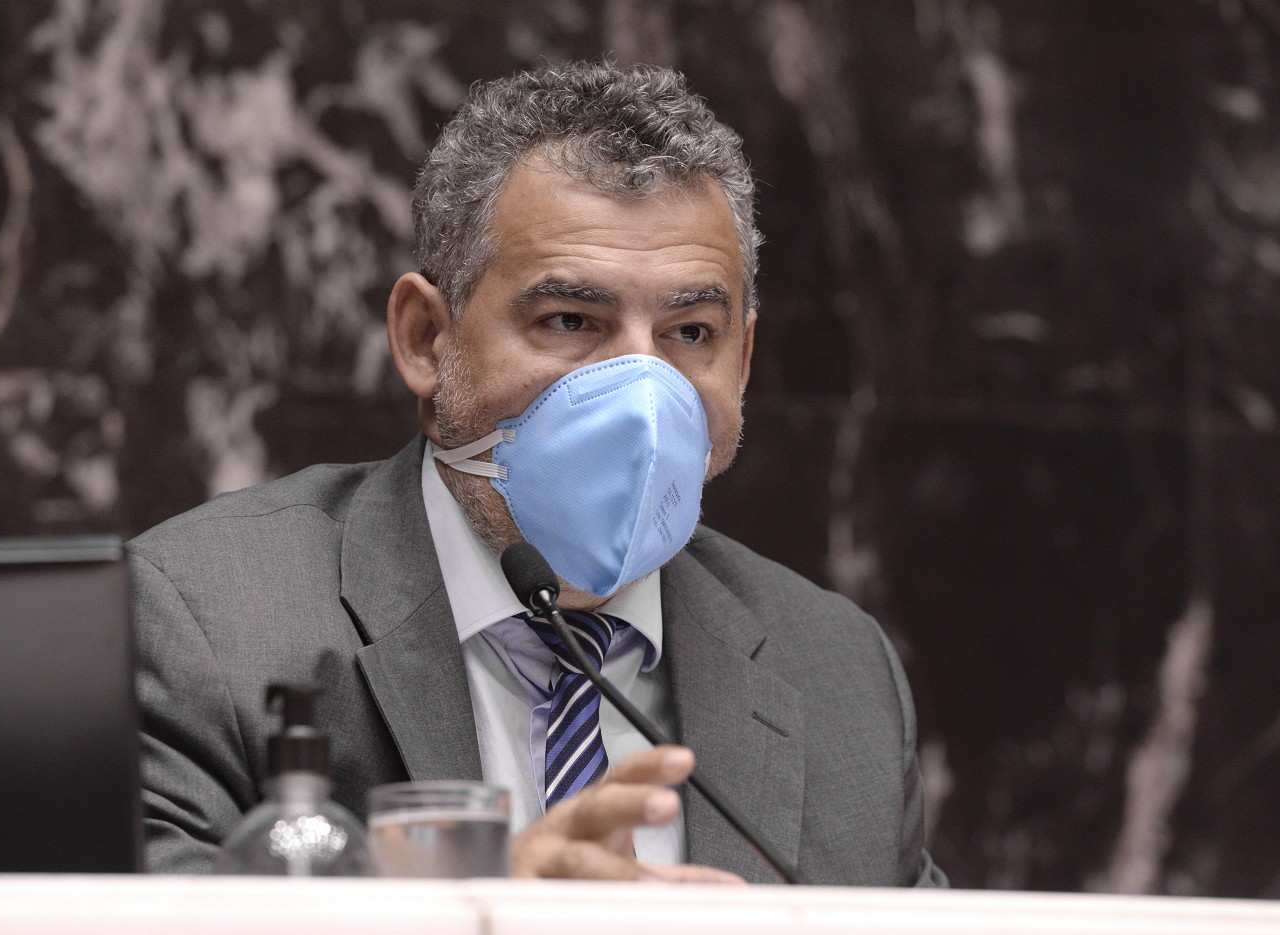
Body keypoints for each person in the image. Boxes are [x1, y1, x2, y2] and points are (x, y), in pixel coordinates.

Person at [130, 60, 946, 886]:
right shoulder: (204, 622)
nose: (640, 394)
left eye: (691, 332)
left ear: (743, 361)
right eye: (570, 320)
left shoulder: (839, 674)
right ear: (424, 338)